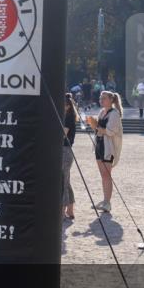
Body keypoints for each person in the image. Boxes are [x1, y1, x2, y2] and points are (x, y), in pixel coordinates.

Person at [87, 90, 123, 213]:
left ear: (111, 100)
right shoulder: (102, 112)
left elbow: (110, 132)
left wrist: (96, 126)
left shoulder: (114, 114)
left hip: (108, 147)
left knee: (107, 175)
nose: (101, 100)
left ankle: (107, 202)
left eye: (104, 98)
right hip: (99, 145)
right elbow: (98, 130)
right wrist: (92, 124)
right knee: (103, 175)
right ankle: (105, 200)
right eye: (100, 98)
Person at [61, 93, 78, 221]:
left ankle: (61, 211)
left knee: (63, 182)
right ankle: (70, 210)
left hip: (65, 151)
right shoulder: (68, 116)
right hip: (66, 151)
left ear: (67, 106)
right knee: (66, 181)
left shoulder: (68, 118)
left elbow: (62, 134)